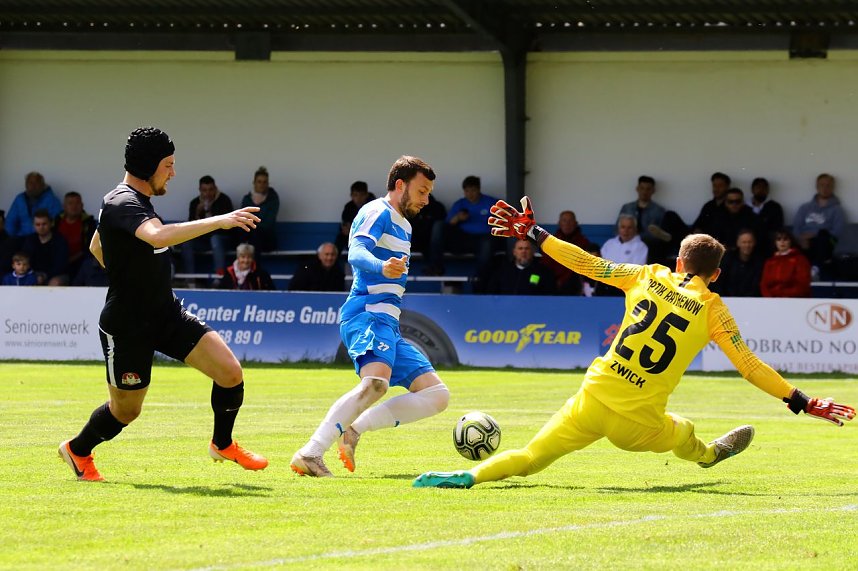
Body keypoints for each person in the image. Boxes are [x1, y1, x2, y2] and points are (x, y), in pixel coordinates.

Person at [413, 196, 854, 490]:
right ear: (715, 275)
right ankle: (710, 454)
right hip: (637, 424)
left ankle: (466, 477)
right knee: (686, 432)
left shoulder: (646, 276)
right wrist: (801, 400)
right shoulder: (713, 309)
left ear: (678, 260)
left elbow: (586, 263)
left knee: (529, 457)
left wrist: (537, 234)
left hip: (592, 398)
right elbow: (750, 366)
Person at [58, 126, 268, 482]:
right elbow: (156, 235)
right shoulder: (122, 201)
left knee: (230, 372)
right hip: (127, 326)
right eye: (168, 164)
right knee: (126, 411)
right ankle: (78, 450)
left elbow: (98, 245)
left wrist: (130, 273)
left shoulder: (132, 204)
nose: (173, 172)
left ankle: (223, 443)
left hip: (165, 313)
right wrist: (220, 220)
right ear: (147, 166)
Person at [291, 155, 450, 478]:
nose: (426, 199)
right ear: (400, 185)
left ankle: (354, 430)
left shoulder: (403, 224)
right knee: (376, 383)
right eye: (422, 191)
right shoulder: (376, 211)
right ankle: (311, 452)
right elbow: (357, 251)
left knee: (437, 396)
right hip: (366, 313)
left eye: (429, 192)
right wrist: (381, 266)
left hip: (388, 323)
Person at [427, 175, 501, 284]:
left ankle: (481, 279)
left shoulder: (491, 202)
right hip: (462, 238)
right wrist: (457, 218)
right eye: (467, 191)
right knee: (439, 225)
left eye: (473, 190)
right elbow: (448, 225)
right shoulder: (460, 204)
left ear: (479, 190)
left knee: (488, 242)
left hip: (484, 238)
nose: (470, 194)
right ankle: (436, 267)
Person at [181, 175, 236, 285]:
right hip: (203, 240)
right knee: (186, 242)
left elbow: (228, 228)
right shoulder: (195, 203)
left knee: (215, 239)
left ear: (215, 188)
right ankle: (190, 280)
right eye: (204, 190)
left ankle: (219, 278)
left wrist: (210, 212)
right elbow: (190, 229)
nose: (208, 193)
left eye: (211, 189)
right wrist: (197, 213)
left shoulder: (224, 200)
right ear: (200, 190)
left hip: (222, 239)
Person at [792, 173, 847, 277]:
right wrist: (800, 239)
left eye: (828, 185)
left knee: (822, 237)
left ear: (832, 188)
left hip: (825, 242)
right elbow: (796, 227)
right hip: (803, 241)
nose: (825, 188)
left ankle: (815, 270)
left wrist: (814, 234)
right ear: (817, 187)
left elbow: (837, 232)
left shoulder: (837, 210)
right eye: (822, 185)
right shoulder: (805, 208)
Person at [618, 175, 670, 260]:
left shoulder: (659, 210)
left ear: (653, 191)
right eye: (642, 188)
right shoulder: (627, 208)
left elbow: (661, 236)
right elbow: (617, 229)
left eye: (648, 189)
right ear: (637, 189)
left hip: (650, 247)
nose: (644, 192)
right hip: (628, 243)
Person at [540, 210, 589, 295]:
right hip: (551, 283)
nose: (567, 224)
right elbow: (545, 264)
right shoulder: (550, 242)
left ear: (576, 223)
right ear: (559, 223)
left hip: (573, 284)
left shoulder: (583, 243)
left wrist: (562, 280)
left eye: (570, 221)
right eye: (564, 220)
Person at [486, 239, 556, 295]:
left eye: (527, 248)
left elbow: (550, 295)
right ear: (514, 252)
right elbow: (492, 293)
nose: (523, 251)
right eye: (520, 248)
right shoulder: (503, 271)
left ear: (532, 252)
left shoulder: (543, 272)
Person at [54, 191, 97, 283]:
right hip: (58, 265)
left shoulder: (89, 223)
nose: (74, 206)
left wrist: (70, 260)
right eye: (70, 203)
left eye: (77, 203)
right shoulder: (56, 222)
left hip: (80, 264)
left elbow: (90, 248)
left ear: (82, 205)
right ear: (64, 206)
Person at [5, 171, 62, 238]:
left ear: (42, 185)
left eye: (36, 183)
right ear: (26, 185)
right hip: (21, 238)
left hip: (42, 239)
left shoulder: (52, 200)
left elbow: (56, 223)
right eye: (30, 183)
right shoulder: (20, 199)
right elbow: (10, 221)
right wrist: (12, 237)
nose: (33, 186)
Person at [21, 209, 69, 285]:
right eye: (38, 224)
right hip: (34, 274)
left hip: (57, 275)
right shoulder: (30, 240)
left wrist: (45, 276)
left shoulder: (59, 240)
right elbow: (25, 260)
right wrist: (34, 276)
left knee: (55, 282)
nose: (41, 227)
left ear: (51, 223)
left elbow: (60, 265)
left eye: (44, 224)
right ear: (33, 225)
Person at [239, 166, 280, 252]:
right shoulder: (247, 199)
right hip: (248, 235)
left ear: (268, 184)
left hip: (267, 239)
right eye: (259, 182)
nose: (262, 185)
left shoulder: (273, 199)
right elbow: (243, 220)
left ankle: (256, 265)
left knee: (254, 235)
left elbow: (268, 223)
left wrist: (253, 223)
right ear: (254, 183)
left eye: (265, 182)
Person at [712, 229, 764, 297]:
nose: (747, 245)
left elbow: (757, 285)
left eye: (750, 242)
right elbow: (719, 282)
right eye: (744, 242)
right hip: (728, 299)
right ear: (738, 243)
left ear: (754, 243)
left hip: (751, 300)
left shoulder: (759, 262)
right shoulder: (727, 259)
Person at [760, 230, 812, 298]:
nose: (782, 242)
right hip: (772, 301)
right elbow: (764, 284)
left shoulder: (800, 260)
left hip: (794, 300)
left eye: (785, 239)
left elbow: (803, 284)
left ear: (790, 241)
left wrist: (784, 296)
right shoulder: (770, 262)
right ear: (775, 242)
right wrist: (770, 298)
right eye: (779, 239)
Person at [335, 181, 376, 252]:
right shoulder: (349, 207)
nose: (358, 198)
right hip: (353, 235)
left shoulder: (374, 206)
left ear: (366, 195)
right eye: (355, 195)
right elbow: (345, 223)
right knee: (341, 237)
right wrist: (346, 228)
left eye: (361, 195)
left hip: (370, 235)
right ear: (351, 195)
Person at [748, 177, 784, 253]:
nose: (761, 190)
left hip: (767, 246)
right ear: (752, 189)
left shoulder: (775, 207)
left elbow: (777, 228)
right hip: (747, 244)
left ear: (768, 190)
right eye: (758, 187)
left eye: (764, 188)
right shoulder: (745, 207)